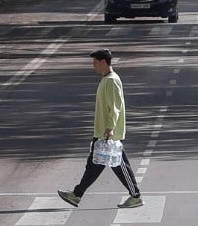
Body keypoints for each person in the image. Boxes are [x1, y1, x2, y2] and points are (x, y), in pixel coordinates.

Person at [59, 48, 143, 208]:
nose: (94, 66)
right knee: (93, 165)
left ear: (103, 62)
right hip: (102, 132)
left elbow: (115, 106)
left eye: (95, 63)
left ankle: (136, 196)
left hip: (109, 133)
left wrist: (110, 127)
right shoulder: (106, 79)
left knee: (119, 165)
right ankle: (76, 195)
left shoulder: (111, 80)